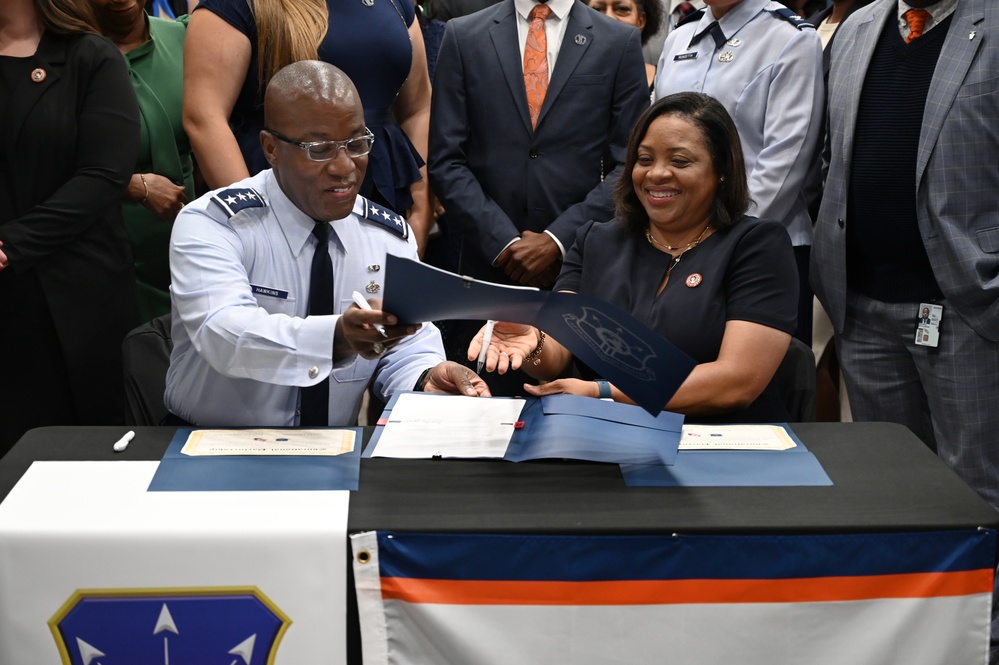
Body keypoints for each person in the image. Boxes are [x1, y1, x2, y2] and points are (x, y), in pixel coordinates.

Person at [810, 1, 999, 657]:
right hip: (861, 307)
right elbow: (829, 158)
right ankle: (908, 633)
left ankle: (980, 637)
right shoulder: (857, 30)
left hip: (966, 309)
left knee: (974, 489)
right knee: (890, 490)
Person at [166, 61, 488, 427]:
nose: (345, 167)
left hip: (333, 452)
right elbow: (223, 333)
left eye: (356, 144)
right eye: (319, 149)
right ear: (271, 148)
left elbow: (405, 346)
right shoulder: (214, 223)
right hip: (211, 444)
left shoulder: (387, 235)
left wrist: (426, 375)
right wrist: (336, 338)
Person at [470, 93, 797, 422]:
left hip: (725, 446)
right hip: (607, 439)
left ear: (722, 169)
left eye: (679, 161)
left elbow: (736, 383)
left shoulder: (756, 245)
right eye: (644, 159)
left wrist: (605, 394)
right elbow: (559, 348)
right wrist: (532, 340)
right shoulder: (595, 240)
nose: (656, 174)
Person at [429, 0, 650, 394]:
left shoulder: (618, 41)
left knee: (574, 424)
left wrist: (557, 241)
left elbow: (629, 165)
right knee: (477, 417)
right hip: (486, 271)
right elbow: (446, 160)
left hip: (578, 271)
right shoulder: (464, 35)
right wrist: (505, 243)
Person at [0, 0, 141, 456]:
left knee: (86, 457)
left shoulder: (90, 56)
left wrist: (10, 244)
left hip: (76, 296)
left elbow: (103, 177)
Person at [182, 0, 435, 253]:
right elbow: (205, 119)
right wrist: (257, 221)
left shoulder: (395, 3)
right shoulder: (235, 5)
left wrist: (422, 206)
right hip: (282, 192)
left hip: (383, 188)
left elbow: (418, 108)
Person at [653, 0, 823, 347]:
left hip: (759, 242)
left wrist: (715, 240)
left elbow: (786, 159)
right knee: (672, 379)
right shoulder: (681, 36)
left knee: (757, 389)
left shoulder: (789, 37)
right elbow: (655, 138)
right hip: (673, 245)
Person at [91, 0, 193, 322]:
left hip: (189, 248)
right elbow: (49, 158)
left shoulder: (185, 36)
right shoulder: (67, 53)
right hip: (108, 254)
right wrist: (133, 186)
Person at [587, 0, 664, 86]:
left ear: (641, 20)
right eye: (597, 9)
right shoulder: (570, 78)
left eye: (622, 9)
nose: (609, 17)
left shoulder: (663, 80)